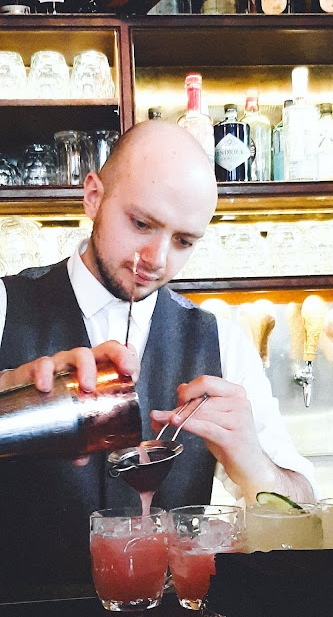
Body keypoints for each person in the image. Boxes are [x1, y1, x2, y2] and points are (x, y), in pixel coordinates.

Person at [0, 121, 316, 600]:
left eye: (184, 241)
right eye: (141, 223)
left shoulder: (221, 340)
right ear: (93, 196)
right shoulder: (6, 309)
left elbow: (306, 522)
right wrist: (10, 396)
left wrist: (253, 463)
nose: (156, 258)